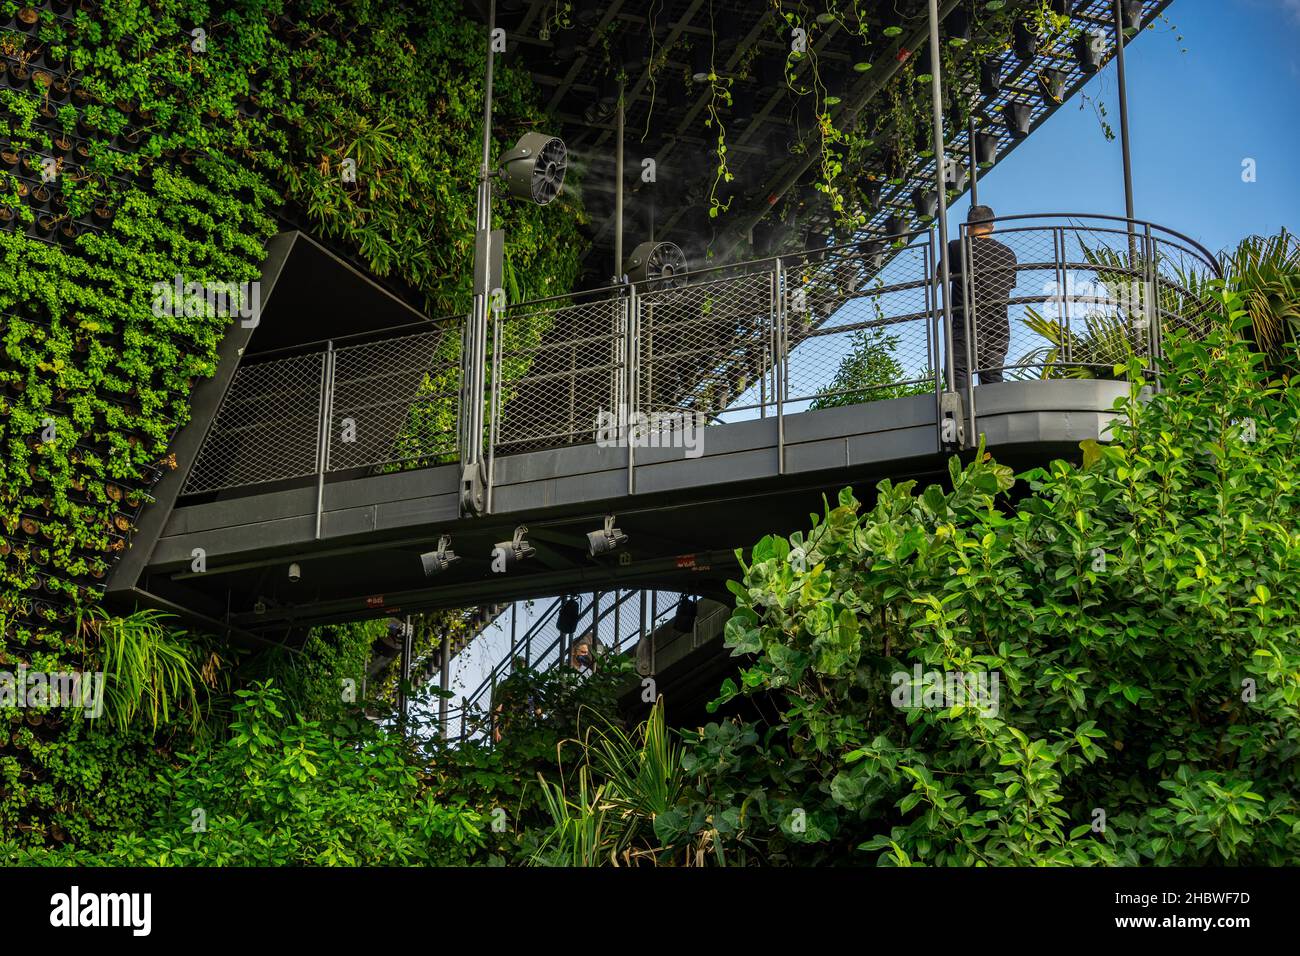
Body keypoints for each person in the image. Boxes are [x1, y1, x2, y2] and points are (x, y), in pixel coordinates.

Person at [944, 205, 1019, 390]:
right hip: (998, 324)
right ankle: (993, 414)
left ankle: (962, 414)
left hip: (968, 323)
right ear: (992, 226)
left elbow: (940, 274)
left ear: (969, 225)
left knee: (957, 370)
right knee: (992, 375)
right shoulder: (1009, 254)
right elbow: (1009, 285)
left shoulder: (956, 247)